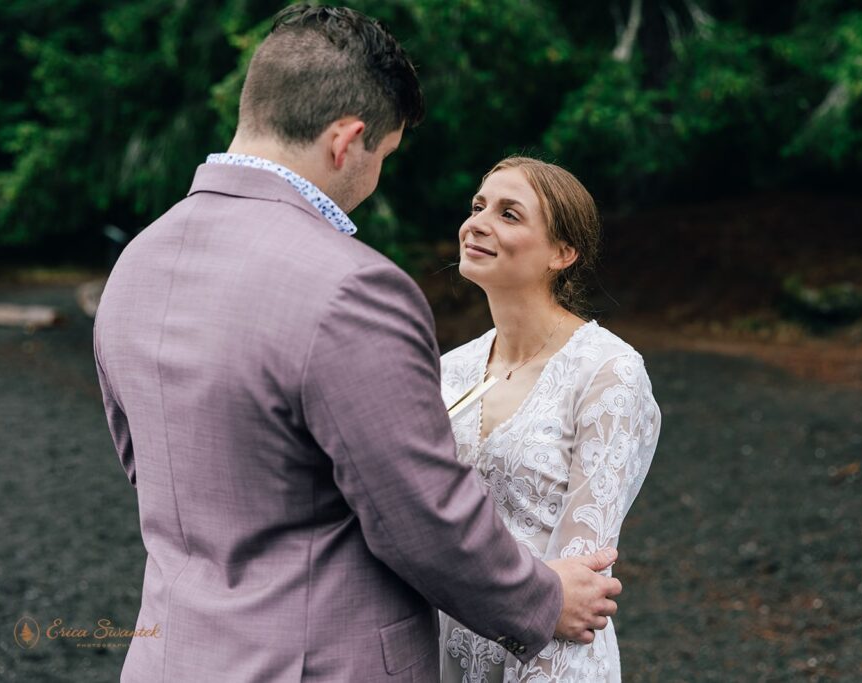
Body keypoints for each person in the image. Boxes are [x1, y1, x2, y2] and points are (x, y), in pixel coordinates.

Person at [93, 6, 622, 682]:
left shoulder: (137, 262)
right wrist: (543, 597)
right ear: (347, 141)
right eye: (384, 155)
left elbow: (151, 467)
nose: (373, 182)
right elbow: (421, 515)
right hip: (315, 663)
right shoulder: (353, 288)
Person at [438, 157, 661, 681]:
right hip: (441, 645)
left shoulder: (608, 371)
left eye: (509, 214)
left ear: (562, 253)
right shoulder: (448, 370)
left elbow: (582, 570)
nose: (479, 223)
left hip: (545, 654)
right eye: (478, 206)